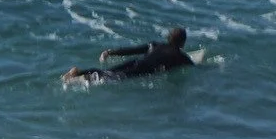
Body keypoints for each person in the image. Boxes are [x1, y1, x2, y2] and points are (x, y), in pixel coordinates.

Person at [64, 28, 194, 82]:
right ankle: (84, 78)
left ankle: (79, 72)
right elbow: (194, 67)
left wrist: (110, 52)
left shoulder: (155, 45)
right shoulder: (180, 56)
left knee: (107, 71)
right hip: (141, 70)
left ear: (168, 38)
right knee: (111, 78)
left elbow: (131, 50)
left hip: (135, 62)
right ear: (182, 42)